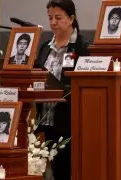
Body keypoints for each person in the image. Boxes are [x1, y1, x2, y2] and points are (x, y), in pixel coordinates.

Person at [34, 0, 90, 179]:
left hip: (68, 124)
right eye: (50, 18)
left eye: (58, 18)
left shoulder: (83, 48)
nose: (53, 23)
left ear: (71, 18)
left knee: (64, 172)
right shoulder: (44, 48)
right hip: (43, 122)